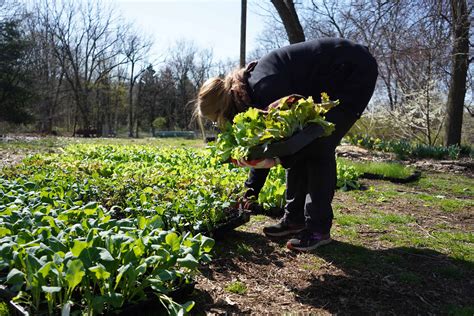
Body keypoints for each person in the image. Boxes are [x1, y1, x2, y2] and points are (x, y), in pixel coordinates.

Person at [195, 38, 378, 251]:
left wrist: (274, 160)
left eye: (216, 120)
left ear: (223, 107)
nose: (219, 125)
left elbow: (290, 143)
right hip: (334, 74)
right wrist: (249, 193)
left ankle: (318, 228)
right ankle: (294, 219)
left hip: (352, 72)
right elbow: (268, 143)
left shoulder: (264, 89)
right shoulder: (247, 94)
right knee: (302, 148)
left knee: (318, 145)